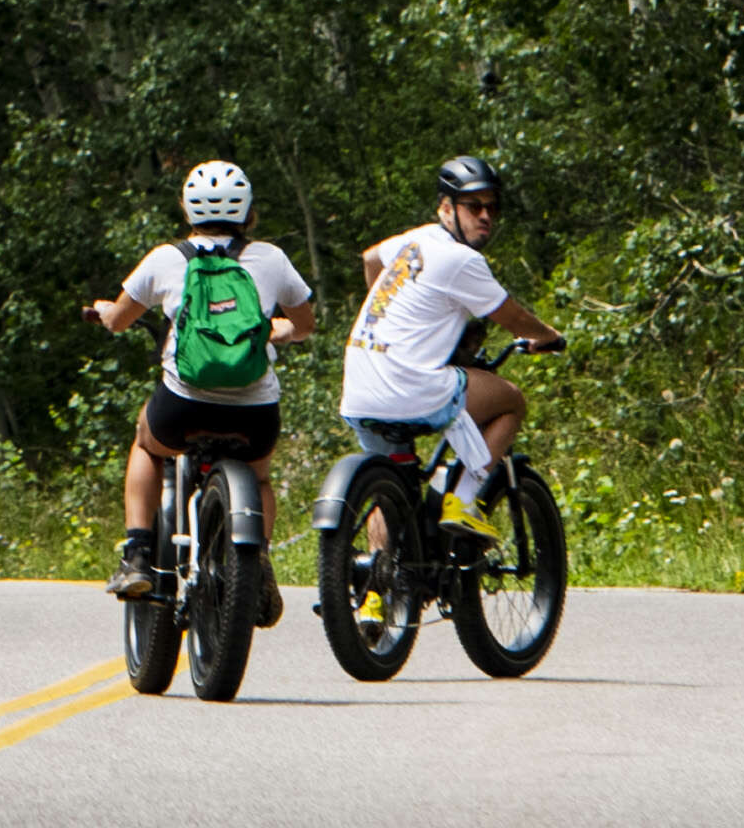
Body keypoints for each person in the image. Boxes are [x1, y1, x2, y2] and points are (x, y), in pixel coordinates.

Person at [86, 156, 311, 615]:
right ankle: (258, 564)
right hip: (255, 411)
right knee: (260, 474)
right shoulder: (271, 258)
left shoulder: (166, 259)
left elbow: (119, 320)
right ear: (248, 213)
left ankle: (137, 554)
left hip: (183, 404)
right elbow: (305, 324)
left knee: (146, 443)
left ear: (187, 211)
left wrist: (105, 311)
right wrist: (281, 330)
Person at [337, 154, 558, 472]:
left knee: (391, 487)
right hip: (408, 388)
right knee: (511, 401)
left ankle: (394, 508)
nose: (485, 216)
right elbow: (514, 320)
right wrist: (549, 336)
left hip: (360, 389)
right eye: (473, 206)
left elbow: (370, 258)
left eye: (492, 207)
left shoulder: (416, 239)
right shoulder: (461, 259)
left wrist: (386, 312)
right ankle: (464, 502)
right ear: (446, 208)